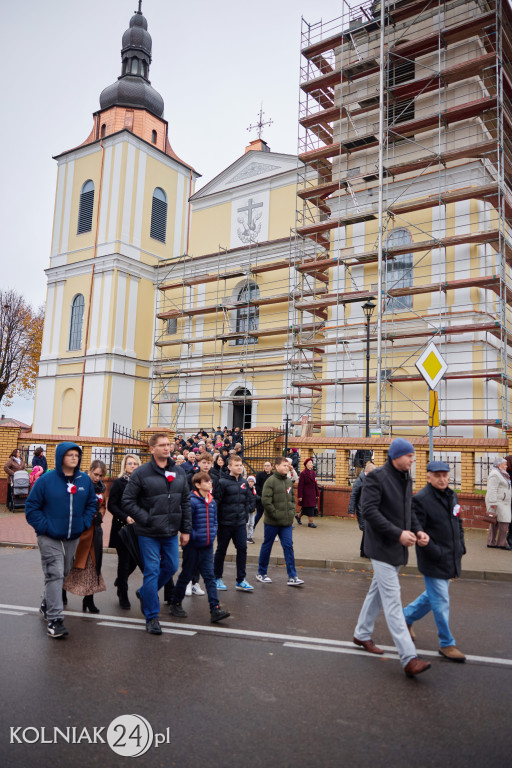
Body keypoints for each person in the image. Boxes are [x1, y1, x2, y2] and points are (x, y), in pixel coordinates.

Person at [353, 438, 432, 678]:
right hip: (380, 548)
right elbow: (369, 511)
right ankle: (409, 658)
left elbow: (409, 511)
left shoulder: (405, 477)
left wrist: (418, 530)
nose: (413, 460)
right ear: (396, 456)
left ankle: (361, 634)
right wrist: (398, 534)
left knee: (376, 593)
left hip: (397, 548)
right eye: (409, 456)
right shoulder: (377, 478)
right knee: (393, 600)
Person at [25, 442, 96, 638]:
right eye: (69, 454)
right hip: (49, 535)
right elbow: (31, 507)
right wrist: (45, 527)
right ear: (60, 457)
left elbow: (91, 503)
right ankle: (55, 620)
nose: (74, 458)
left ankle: (46, 602)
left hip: (73, 534)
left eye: (76, 455)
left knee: (65, 572)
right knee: (54, 572)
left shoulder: (84, 480)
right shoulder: (46, 480)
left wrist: (84, 522)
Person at [122, 432, 191, 635]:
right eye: (162, 445)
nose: (167, 448)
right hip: (148, 532)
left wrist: (186, 530)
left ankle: (145, 592)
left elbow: (185, 501)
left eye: (168, 444)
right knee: (152, 570)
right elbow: (127, 501)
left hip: (170, 532)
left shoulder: (179, 471)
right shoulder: (141, 473)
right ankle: (151, 616)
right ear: (152, 449)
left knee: (171, 567)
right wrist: (147, 518)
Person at [403, 461, 466, 663]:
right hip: (433, 558)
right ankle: (447, 643)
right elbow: (417, 528)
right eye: (437, 475)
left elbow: (458, 522)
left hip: (451, 556)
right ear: (428, 476)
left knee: (433, 597)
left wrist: (461, 546)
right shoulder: (421, 499)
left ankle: (405, 618)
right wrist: (434, 550)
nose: (442, 479)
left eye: (445, 475)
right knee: (441, 600)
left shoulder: (451, 495)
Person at [169, 472, 230, 624]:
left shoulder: (212, 501)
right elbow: (186, 522)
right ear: (197, 485)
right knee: (187, 575)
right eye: (206, 481)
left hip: (207, 546)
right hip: (193, 546)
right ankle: (175, 603)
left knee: (210, 577)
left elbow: (214, 521)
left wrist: (212, 534)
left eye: (210, 481)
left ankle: (215, 609)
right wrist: (195, 536)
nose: (210, 483)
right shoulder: (192, 501)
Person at [63, 460, 108, 613]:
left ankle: (89, 600)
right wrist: (86, 518)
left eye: (101, 476)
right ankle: (61, 592)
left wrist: (100, 515)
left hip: (94, 532)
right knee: (70, 565)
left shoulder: (102, 488)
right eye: (95, 474)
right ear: (89, 471)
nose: (97, 478)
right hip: (80, 531)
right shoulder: (81, 484)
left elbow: (103, 506)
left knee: (94, 567)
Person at [256, 456, 304, 586]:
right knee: (267, 546)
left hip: (286, 523)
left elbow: (292, 499)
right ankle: (261, 573)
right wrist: (276, 514)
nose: (287, 467)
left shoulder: (288, 481)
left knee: (288, 546)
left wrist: (291, 513)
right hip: (272, 522)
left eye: (288, 465)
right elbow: (266, 501)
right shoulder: (270, 481)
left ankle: (292, 576)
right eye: (284, 465)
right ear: (277, 466)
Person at [213, 454, 255, 592]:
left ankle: (241, 580)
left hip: (240, 524)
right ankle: (217, 578)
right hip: (225, 523)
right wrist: (216, 520)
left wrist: (246, 513)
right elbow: (216, 502)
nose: (239, 467)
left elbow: (248, 499)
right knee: (221, 550)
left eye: (240, 465)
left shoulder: (244, 482)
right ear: (230, 467)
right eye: (236, 465)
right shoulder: (222, 482)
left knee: (242, 549)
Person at [107, 454, 141, 609]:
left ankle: (120, 580)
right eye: (130, 463)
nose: (133, 466)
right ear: (124, 466)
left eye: (135, 463)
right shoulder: (119, 483)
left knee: (136, 560)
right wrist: (125, 517)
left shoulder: (142, 483)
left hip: (138, 528)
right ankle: (123, 594)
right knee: (124, 562)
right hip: (122, 527)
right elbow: (111, 505)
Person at [348, 462, 376, 557]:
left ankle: (364, 551)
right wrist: (351, 511)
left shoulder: (371, 480)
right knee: (367, 530)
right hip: (362, 510)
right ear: (367, 472)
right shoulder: (359, 481)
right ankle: (367, 552)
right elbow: (353, 495)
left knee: (367, 530)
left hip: (369, 509)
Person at [485, 456, 512, 550]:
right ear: (499, 465)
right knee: (504, 522)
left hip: (503, 501)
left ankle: (491, 542)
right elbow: (492, 489)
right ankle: (502, 543)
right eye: (505, 464)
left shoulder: (502, 473)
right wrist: (493, 502)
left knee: (495, 522)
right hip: (498, 501)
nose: (506, 466)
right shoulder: (495, 474)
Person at [297, 458, 320, 528]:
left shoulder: (313, 473)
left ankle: (298, 516)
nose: (311, 464)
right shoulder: (303, 473)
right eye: (310, 463)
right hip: (306, 494)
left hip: (312, 493)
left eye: (312, 463)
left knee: (307, 508)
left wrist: (317, 493)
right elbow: (300, 485)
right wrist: (300, 496)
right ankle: (310, 522)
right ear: (306, 464)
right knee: (310, 508)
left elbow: (315, 484)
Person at [255, 461, 273, 529]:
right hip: (261, 498)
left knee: (270, 516)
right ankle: (252, 528)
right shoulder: (259, 474)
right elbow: (256, 486)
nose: (266, 467)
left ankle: (271, 530)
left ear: (271, 467)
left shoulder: (273, 475)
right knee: (259, 514)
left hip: (270, 498)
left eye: (268, 466)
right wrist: (262, 493)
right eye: (265, 465)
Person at [246, 475, 257, 543]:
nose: (250, 483)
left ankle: (249, 536)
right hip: (247, 510)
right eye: (249, 481)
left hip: (252, 510)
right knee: (247, 523)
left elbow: (255, 497)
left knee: (252, 523)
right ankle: (244, 536)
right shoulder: (246, 490)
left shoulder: (254, 489)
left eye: (252, 481)